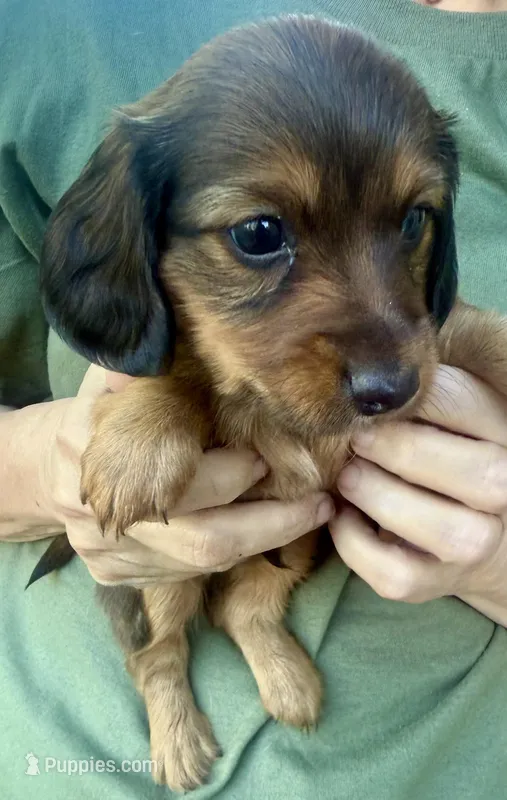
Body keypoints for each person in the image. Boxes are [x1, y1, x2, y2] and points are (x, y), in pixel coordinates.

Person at [0, 0, 506, 797]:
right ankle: (160, 675)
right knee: (160, 597)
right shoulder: (47, 32)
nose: (381, 364)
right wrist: (44, 466)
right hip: (65, 749)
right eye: (260, 236)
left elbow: (465, 333)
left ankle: (251, 621)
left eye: (410, 222)